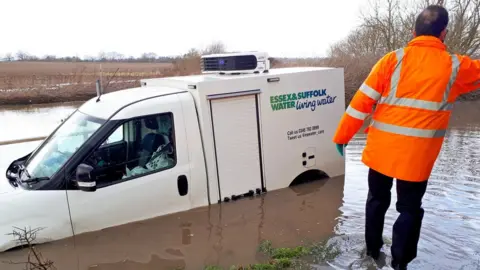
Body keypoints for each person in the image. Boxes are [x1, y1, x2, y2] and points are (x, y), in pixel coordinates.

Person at [332, 4, 480, 270]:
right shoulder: (456, 67)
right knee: (409, 209)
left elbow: (360, 103)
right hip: (418, 157)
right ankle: (400, 265)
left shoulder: (391, 60)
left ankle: (372, 252)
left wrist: (342, 136)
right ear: (444, 33)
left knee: (376, 199)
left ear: (413, 31)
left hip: (382, 151)